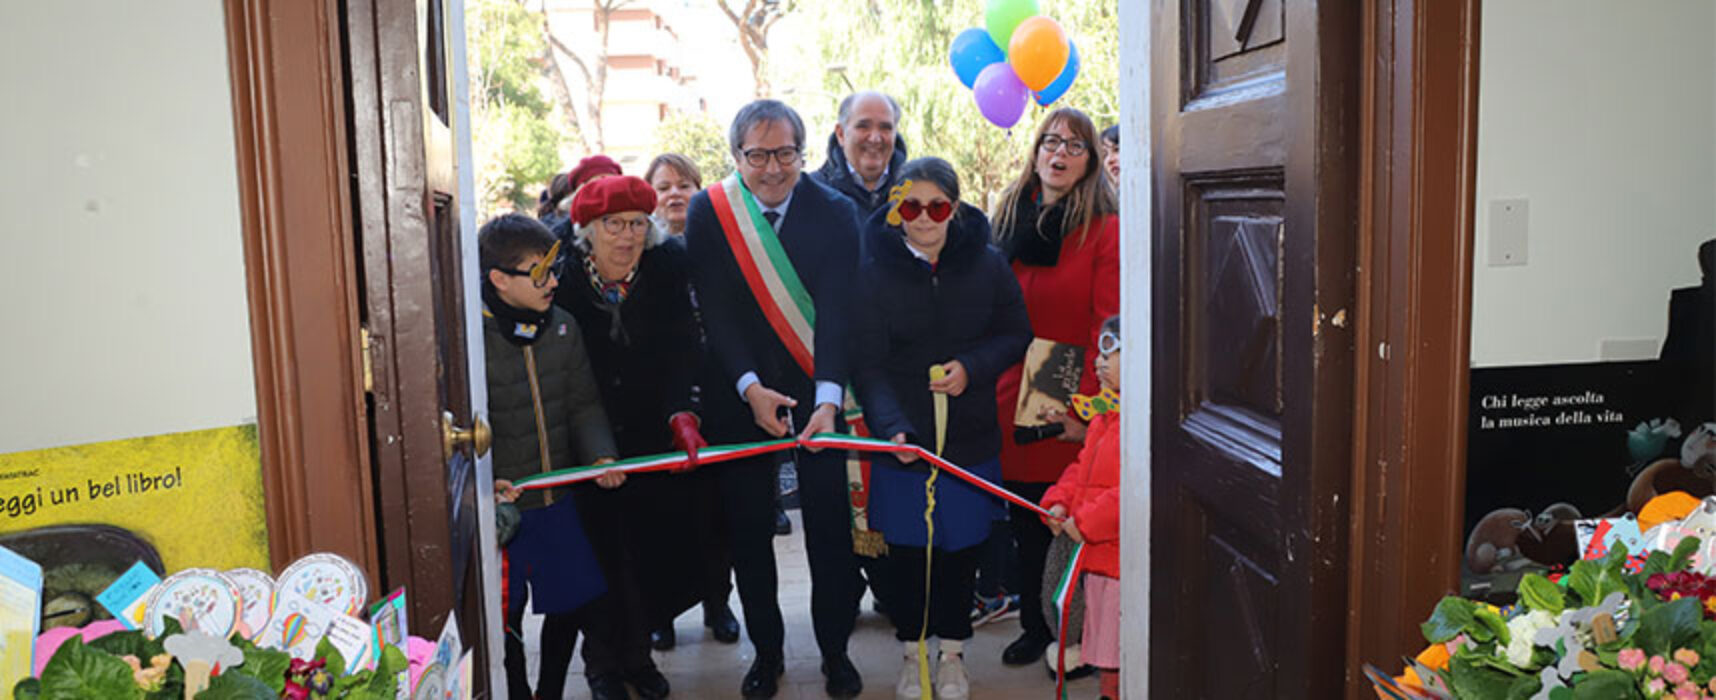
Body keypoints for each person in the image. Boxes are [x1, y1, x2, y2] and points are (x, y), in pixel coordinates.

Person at [683, 99, 865, 699]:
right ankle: (767, 652)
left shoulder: (836, 211)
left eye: (785, 153)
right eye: (757, 155)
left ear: (803, 152)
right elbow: (717, 309)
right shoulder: (712, 211)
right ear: (736, 156)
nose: (772, 168)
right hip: (742, 392)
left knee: (831, 533)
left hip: (820, 392)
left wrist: (830, 395)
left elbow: (841, 312)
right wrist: (749, 387)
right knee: (749, 531)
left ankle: (835, 650)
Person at [850, 156, 1031, 700]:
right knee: (908, 554)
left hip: (969, 435)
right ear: (895, 210)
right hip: (900, 438)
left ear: (955, 208)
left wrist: (971, 368)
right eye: (911, 205)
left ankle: (952, 654)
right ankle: (912, 654)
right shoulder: (872, 269)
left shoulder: (988, 263)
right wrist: (892, 427)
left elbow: (1015, 332)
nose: (924, 217)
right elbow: (867, 363)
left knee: (960, 552)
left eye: (937, 205)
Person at [554, 175, 734, 700]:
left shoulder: (667, 266)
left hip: (654, 431)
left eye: (637, 223)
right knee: (600, 555)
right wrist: (587, 440)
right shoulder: (563, 276)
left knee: (650, 552)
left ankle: (638, 658)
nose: (627, 236)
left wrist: (683, 413)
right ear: (589, 230)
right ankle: (601, 665)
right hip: (586, 436)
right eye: (614, 224)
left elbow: (684, 347)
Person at [990, 106, 1120, 667]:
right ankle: (1034, 625)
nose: (1059, 153)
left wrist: (1089, 412)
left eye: (1075, 145)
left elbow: (1108, 327)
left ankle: (1075, 634)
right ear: (1035, 151)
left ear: (1090, 162)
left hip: (1064, 387)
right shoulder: (1006, 218)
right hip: (1005, 381)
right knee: (1024, 516)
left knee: (1068, 519)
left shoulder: (1106, 231)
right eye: (1051, 141)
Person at [478, 213, 621, 700]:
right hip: (505, 513)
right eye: (539, 274)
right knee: (505, 617)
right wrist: (489, 482)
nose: (554, 282)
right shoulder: (471, 341)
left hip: (559, 501)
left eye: (554, 268)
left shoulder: (563, 327)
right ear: (499, 279)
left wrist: (602, 456)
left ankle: (550, 692)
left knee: (572, 603)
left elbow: (583, 404)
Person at [1040, 315, 1123, 700]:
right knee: (1105, 638)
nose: (1099, 364)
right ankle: (1109, 692)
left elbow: (1129, 492)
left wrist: (1086, 521)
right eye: (1100, 355)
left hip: (1118, 557)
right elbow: (1081, 470)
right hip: (1096, 552)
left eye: (1113, 353)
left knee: (1118, 638)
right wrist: (1058, 501)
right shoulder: (1105, 417)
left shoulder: (1139, 422)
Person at [810, 91, 908, 214]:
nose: (875, 138)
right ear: (841, 134)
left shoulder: (918, 193)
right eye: (863, 126)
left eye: (885, 128)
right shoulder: (811, 193)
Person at [645, 153, 702, 236]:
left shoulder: (720, 235)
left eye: (684, 186)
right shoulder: (637, 245)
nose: (674, 193)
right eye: (663, 188)